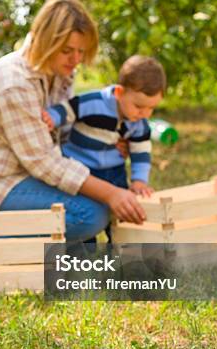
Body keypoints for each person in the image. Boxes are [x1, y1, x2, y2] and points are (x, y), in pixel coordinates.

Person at [0, 0, 146, 244]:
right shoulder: (14, 82)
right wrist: (112, 193)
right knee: (90, 214)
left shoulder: (58, 72)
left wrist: (106, 140)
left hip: (24, 172)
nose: (76, 59)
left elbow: (63, 135)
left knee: (93, 205)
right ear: (46, 40)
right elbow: (43, 161)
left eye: (81, 51)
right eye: (67, 50)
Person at [41, 55, 166, 239]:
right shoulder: (94, 102)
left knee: (122, 212)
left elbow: (141, 153)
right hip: (83, 168)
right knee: (84, 210)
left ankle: (120, 246)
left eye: (151, 108)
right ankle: (82, 250)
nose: (144, 114)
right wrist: (52, 116)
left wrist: (139, 180)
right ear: (119, 93)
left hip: (114, 172)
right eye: (139, 106)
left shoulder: (139, 123)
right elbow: (69, 109)